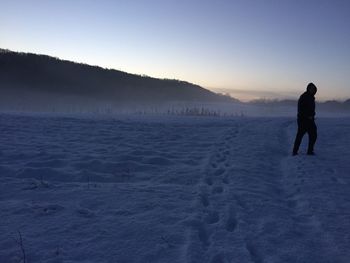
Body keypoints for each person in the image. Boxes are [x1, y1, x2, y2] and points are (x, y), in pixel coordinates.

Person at [292, 83, 317, 156]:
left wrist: (313, 115)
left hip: (310, 120)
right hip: (303, 120)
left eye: (314, 89)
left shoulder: (311, 97)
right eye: (311, 88)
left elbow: (311, 109)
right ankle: (294, 152)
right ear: (308, 88)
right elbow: (301, 109)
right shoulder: (304, 97)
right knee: (299, 136)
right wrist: (307, 116)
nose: (313, 90)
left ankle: (310, 151)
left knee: (313, 135)